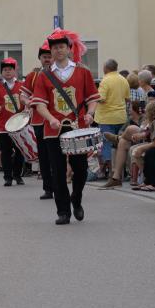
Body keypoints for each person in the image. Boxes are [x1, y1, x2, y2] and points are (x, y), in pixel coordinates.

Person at [31, 29, 99, 224]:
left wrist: (90, 113)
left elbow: (92, 99)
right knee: (57, 170)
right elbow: (40, 104)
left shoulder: (83, 72)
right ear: (50, 51)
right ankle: (63, 211)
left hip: (78, 127)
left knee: (81, 168)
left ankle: (76, 199)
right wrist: (49, 118)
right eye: (54, 48)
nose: (58, 50)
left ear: (69, 49)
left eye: (62, 47)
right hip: (53, 129)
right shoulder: (44, 75)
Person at [0, 57, 27, 187]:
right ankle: (7, 177)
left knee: (20, 151)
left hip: (19, 125)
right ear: (2, 72)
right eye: (5, 70)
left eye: (10, 69)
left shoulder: (22, 86)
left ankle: (17, 175)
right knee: (6, 152)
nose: (8, 72)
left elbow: (27, 100)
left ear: (15, 71)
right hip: (4, 125)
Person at [24, 45, 54, 198]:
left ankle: (60, 185)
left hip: (57, 120)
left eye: (49, 56)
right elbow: (23, 95)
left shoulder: (60, 73)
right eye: (44, 57)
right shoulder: (33, 76)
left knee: (58, 155)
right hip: (39, 120)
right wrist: (28, 101)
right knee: (43, 155)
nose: (47, 59)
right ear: (40, 59)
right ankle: (48, 188)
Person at [94, 59, 129, 182]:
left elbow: (101, 98)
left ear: (106, 68)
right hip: (121, 117)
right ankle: (120, 172)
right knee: (119, 144)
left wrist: (94, 96)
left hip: (106, 117)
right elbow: (127, 97)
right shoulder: (123, 79)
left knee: (106, 145)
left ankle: (111, 173)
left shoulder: (105, 80)